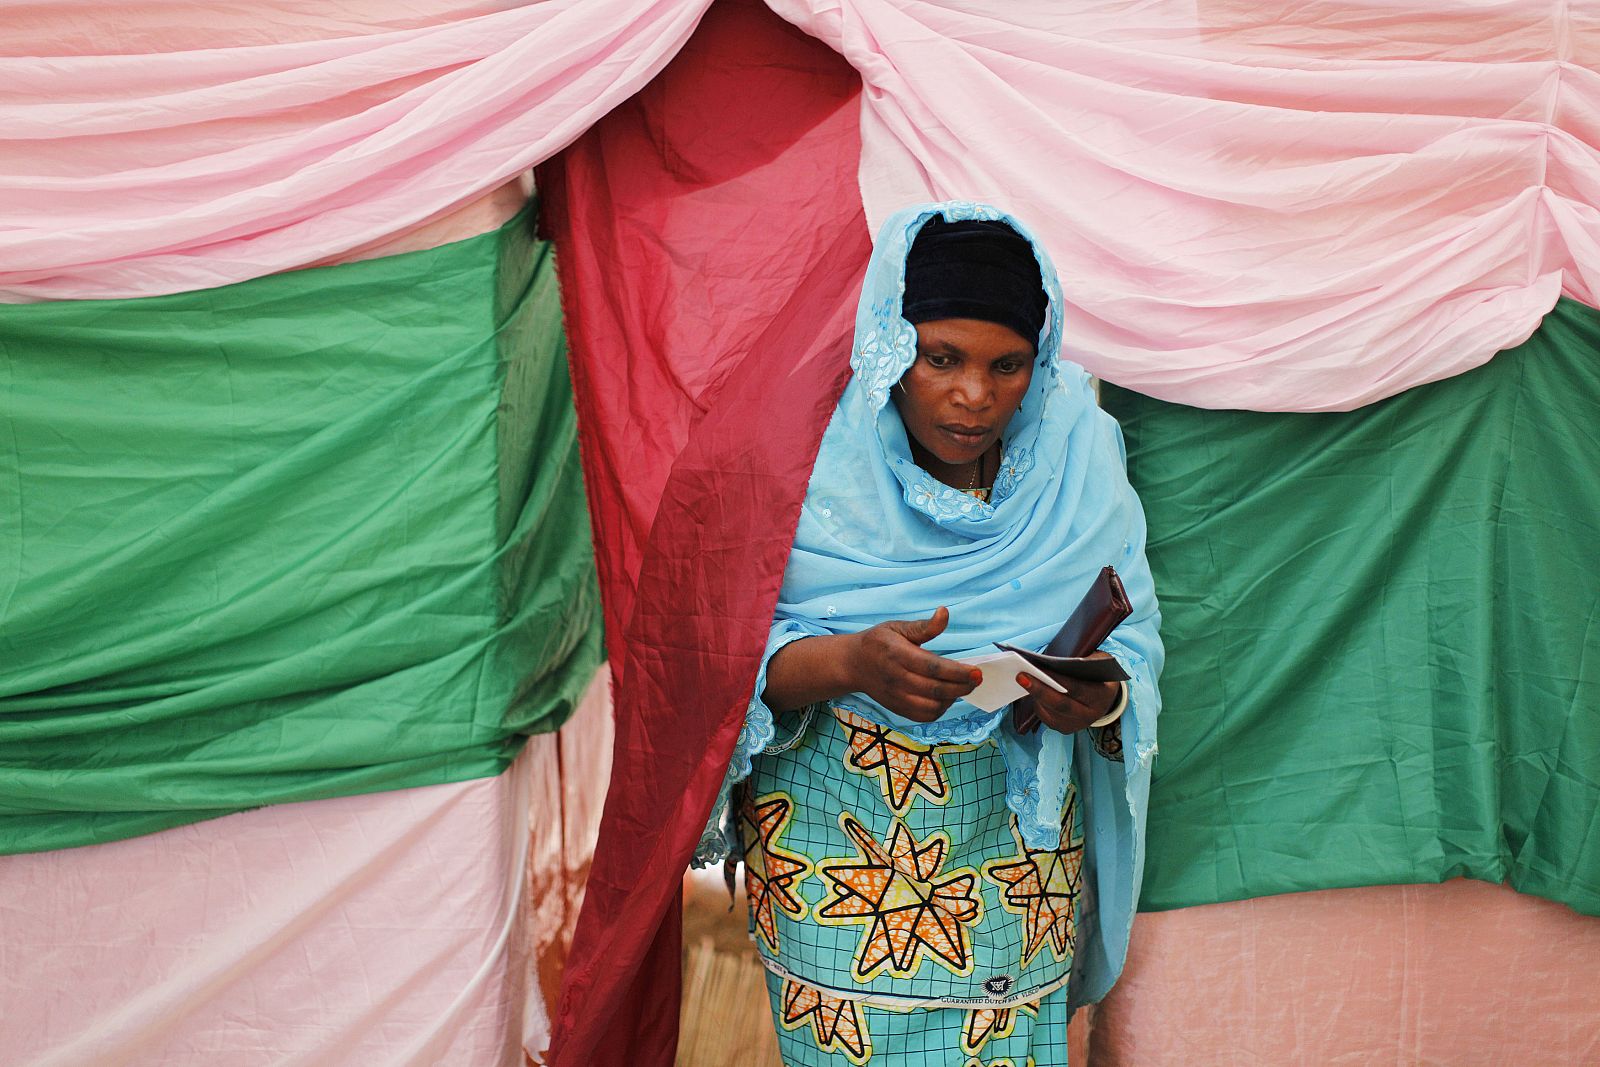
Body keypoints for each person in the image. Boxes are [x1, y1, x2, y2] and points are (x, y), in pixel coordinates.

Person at [695, 202, 1163, 1065]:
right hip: (838, 866)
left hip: (1015, 873)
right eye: (940, 356)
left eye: (1008, 364)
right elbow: (716, 658)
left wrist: (1098, 695)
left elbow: (1130, 645)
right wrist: (848, 661)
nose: (974, 394)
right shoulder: (801, 457)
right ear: (885, 343)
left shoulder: (1079, 457)